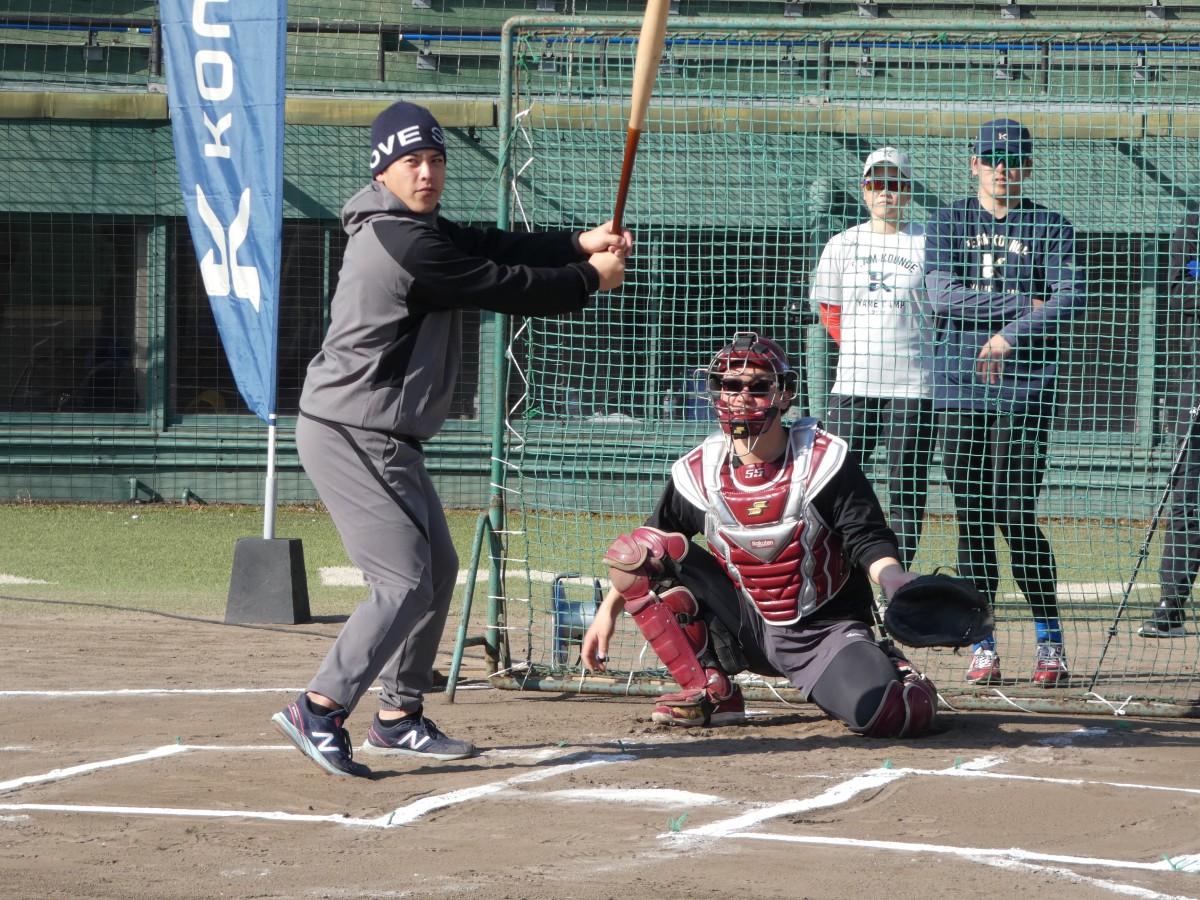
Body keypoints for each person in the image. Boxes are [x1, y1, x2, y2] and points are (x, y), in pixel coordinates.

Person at [272, 101, 631, 777]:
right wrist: (589, 279)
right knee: (403, 579)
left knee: (435, 572)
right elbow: (499, 282)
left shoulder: (417, 228)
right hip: (353, 431)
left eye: (436, 160)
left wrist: (576, 244)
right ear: (382, 169)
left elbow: (492, 245)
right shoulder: (404, 242)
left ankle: (399, 717)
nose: (427, 173)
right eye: (412, 162)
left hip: (379, 433)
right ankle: (318, 708)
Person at [581, 332, 939, 739]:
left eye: (759, 386)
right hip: (746, 623)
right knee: (639, 550)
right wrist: (606, 612)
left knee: (897, 715)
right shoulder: (700, 471)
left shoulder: (823, 460)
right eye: (732, 386)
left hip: (825, 631)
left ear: (784, 395)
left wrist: (892, 578)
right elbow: (644, 550)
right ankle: (712, 690)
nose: (743, 397)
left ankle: (889, 666)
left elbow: (866, 537)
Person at [923, 118, 1085, 685]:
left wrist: (1006, 336)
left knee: (1016, 517)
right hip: (959, 390)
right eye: (992, 158)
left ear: (1028, 166)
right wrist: (1021, 301)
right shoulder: (947, 221)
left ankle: (1050, 645)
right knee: (972, 520)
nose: (1002, 168)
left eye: (1014, 159)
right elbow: (940, 296)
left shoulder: (1051, 226)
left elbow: (1069, 296)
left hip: (1025, 390)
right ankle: (983, 644)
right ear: (974, 163)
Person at [810, 147, 935, 568]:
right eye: (876, 183)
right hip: (852, 384)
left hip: (914, 387)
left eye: (895, 183)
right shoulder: (843, 243)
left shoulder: (928, 242)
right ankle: (838, 571)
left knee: (906, 489)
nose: (886, 192)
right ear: (864, 190)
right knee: (836, 482)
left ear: (908, 189)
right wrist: (858, 346)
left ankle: (895, 584)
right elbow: (828, 308)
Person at [1141, 213, 1200, 638]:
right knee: (1188, 497)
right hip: (1194, 380)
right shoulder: (1193, 226)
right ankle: (1171, 607)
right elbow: (1181, 301)